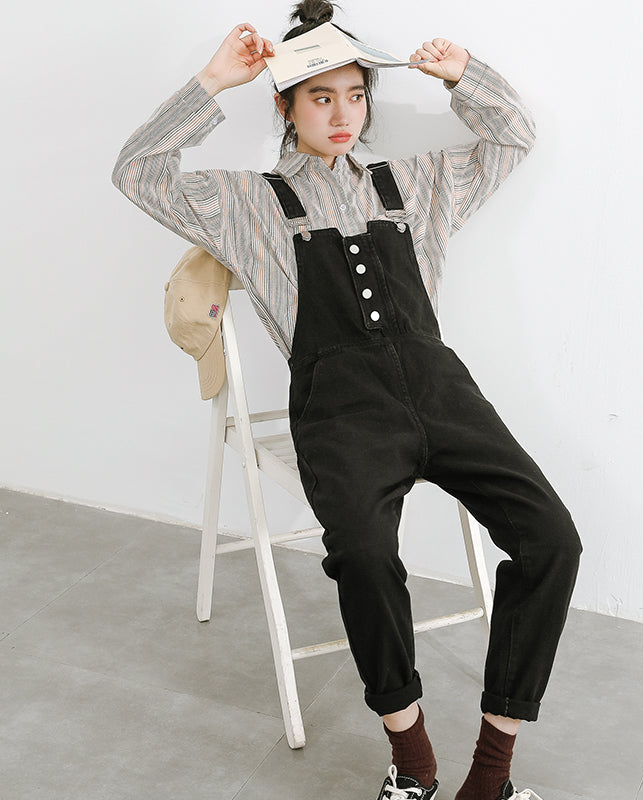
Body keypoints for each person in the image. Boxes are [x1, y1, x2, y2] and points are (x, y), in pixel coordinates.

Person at [112, 2, 582, 798]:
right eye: (320, 97)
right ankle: (411, 757)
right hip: (340, 409)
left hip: (443, 391)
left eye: (356, 95)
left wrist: (463, 75)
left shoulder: (415, 183)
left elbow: (512, 137)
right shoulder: (248, 202)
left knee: (552, 542)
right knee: (363, 556)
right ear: (285, 106)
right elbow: (137, 172)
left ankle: (492, 775)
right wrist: (214, 80)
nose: (341, 114)